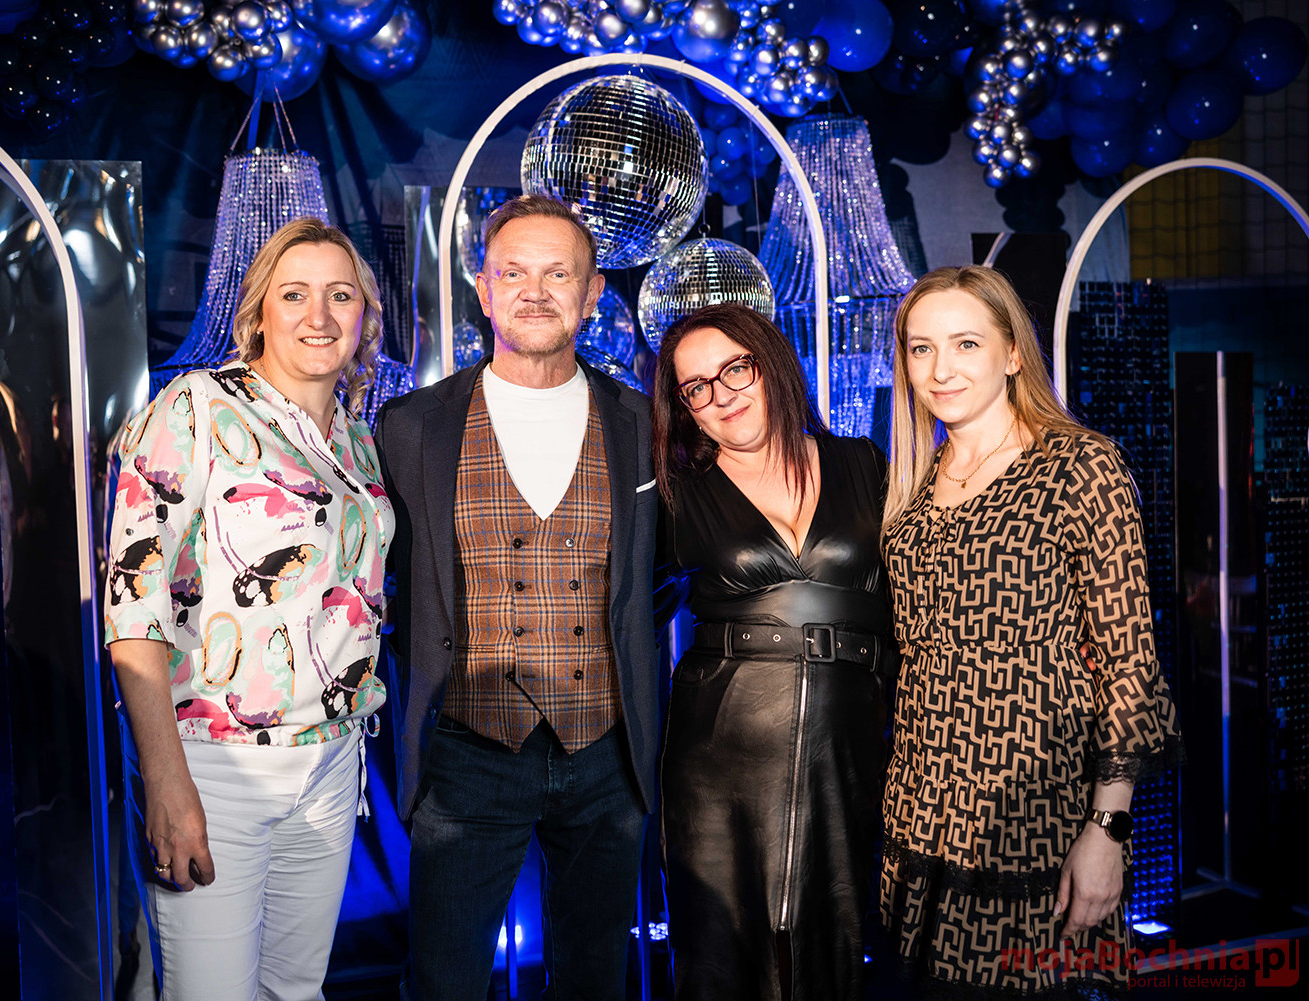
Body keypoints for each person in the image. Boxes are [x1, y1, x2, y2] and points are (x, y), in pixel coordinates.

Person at [375, 194, 660, 1001]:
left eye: (557, 274)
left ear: (593, 291)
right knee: (445, 983)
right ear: (483, 287)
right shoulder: (411, 425)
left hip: (607, 749)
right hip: (466, 749)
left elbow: (669, 570)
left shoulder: (643, 424)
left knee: (596, 981)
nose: (535, 291)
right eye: (513, 272)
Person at [105, 217, 393, 1000]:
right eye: (294, 294)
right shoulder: (196, 407)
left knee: (295, 991)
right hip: (215, 763)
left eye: (341, 295)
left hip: (331, 760)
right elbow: (133, 606)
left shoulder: (357, 441)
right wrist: (166, 781)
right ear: (258, 311)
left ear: (365, 314)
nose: (319, 315)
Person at [879, 266, 1182, 997]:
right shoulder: (913, 480)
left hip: (1034, 813)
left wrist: (1107, 830)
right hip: (920, 813)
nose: (941, 369)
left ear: (1014, 352)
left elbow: (1129, 662)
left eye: (965, 344)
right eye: (921, 348)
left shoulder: (1080, 466)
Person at [652, 303, 895, 1000]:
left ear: (771, 364)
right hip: (718, 750)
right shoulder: (676, 494)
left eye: (736, 369)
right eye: (697, 387)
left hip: (847, 743)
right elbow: (625, 607)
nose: (721, 395)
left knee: (835, 947)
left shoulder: (862, 463)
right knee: (723, 959)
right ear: (684, 408)